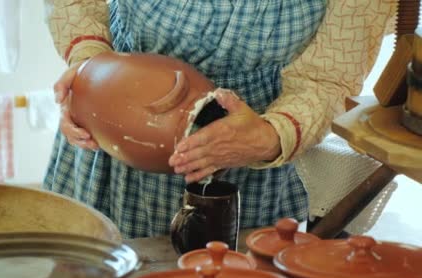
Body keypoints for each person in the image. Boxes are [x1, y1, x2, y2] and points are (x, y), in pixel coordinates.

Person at [42, 0, 396, 239]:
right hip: (110, 134)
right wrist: (90, 64)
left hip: (251, 159)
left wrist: (270, 135)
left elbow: (328, 78)